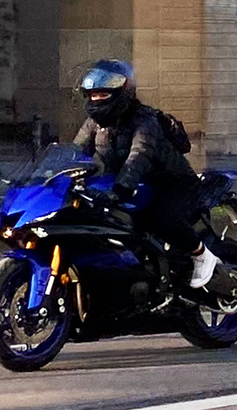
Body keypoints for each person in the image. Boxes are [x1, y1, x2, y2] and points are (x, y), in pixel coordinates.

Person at [72, 59, 213, 292]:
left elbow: (139, 155)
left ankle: (201, 255)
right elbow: (75, 152)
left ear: (123, 91)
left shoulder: (144, 119)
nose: (97, 99)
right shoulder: (94, 124)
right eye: (93, 95)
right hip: (130, 183)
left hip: (171, 182)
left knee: (163, 220)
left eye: (103, 94)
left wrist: (120, 189)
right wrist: (52, 176)